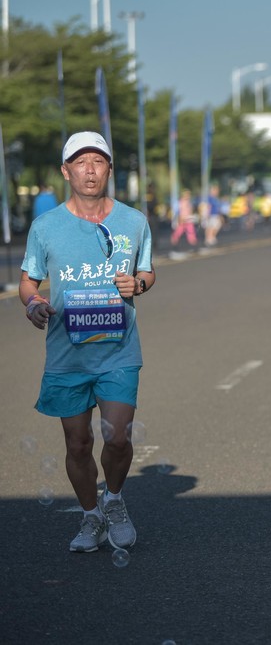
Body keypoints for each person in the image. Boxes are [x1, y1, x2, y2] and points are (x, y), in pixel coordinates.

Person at [19, 131, 155, 552]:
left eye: (98, 161)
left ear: (109, 170)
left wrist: (140, 283)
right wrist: (33, 304)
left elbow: (147, 272)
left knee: (117, 438)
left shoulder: (133, 221)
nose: (90, 169)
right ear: (66, 171)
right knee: (78, 443)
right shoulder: (46, 226)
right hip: (67, 355)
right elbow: (28, 281)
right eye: (81, 162)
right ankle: (90, 515)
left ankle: (114, 501)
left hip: (118, 351)